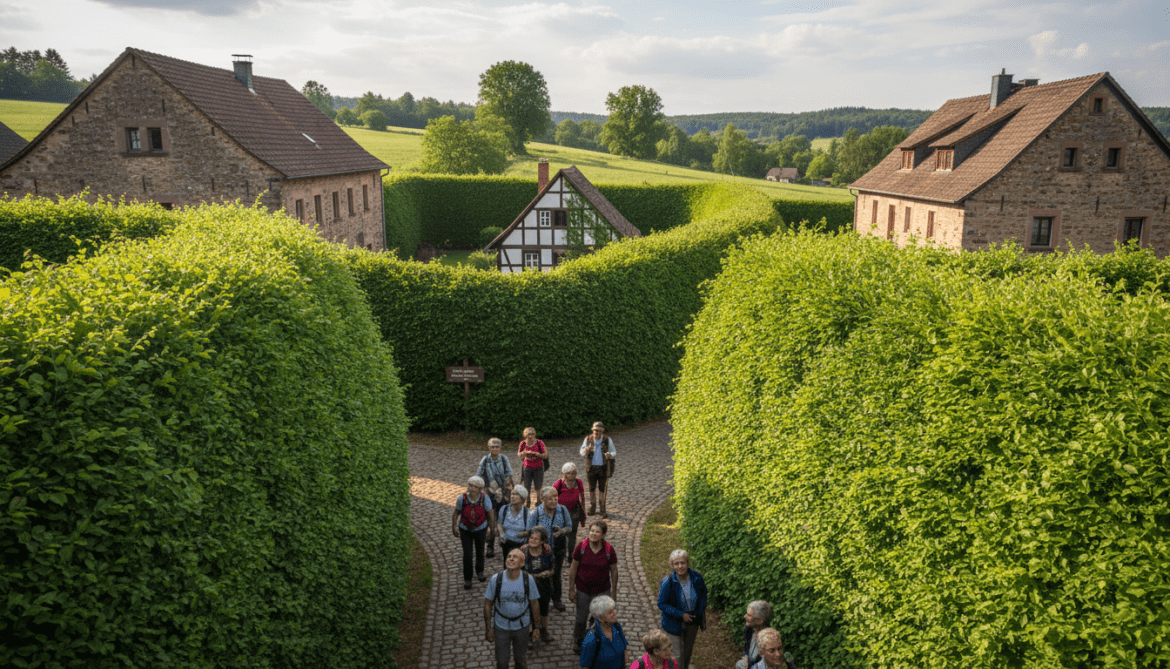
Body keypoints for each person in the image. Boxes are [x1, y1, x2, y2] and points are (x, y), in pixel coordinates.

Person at [484, 548, 541, 669]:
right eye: (509, 556)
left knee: (520, 660)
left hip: (522, 627)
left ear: (522, 563)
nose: (510, 558)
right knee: (501, 662)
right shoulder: (496, 579)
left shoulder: (528, 580)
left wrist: (536, 627)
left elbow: (534, 603)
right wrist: (489, 627)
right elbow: (487, 604)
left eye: (515, 557)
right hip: (501, 627)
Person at [568, 519, 618, 653]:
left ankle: (598, 641)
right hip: (583, 589)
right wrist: (571, 589)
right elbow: (573, 568)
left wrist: (613, 593)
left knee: (601, 618)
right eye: (592, 531)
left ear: (603, 535)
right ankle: (578, 640)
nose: (594, 534)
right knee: (581, 617)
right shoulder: (581, 547)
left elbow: (614, 571)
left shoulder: (608, 550)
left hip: (602, 590)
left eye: (597, 532)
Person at [657, 549, 707, 669]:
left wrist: (699, 612)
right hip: (673, 624)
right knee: (676, 657)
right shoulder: (668, 582)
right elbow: (662, 604)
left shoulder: (697, 577)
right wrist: (680, 614)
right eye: (676, 563)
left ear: (688, 563)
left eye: (683, 563)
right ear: (672, 565)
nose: (680, 566)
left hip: (692, 623)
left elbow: (703, 595)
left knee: (687, 655)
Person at [526, 486, 572, 612]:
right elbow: (530, 531)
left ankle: (557, 600)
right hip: (542, 551)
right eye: (551, 498)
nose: (554, 500)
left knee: (556, 575)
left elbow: (569, 527)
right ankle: (540, 600)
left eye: (556, 497)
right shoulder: (536, 512)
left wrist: (562, 531)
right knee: (541, 575)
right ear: (543, 499)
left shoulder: (562, 510)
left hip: (558, 549)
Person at [452, 475, 495, 590]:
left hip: (481, 528)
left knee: (480, 551)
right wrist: (454, 526)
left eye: (475, 487)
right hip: (465, 529)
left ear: (479, 488)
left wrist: (491, 529)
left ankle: (480, 572)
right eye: (470, 485)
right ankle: (467, 579)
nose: (472, 488)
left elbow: (490, 513)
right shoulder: (462, 498)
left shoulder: (485, 498)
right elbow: (456, 512)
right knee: (467, 554)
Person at [478, 437, 515, 558]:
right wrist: (483, 488)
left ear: (500, 448)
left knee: (504, 519)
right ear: (489, 447)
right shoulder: (485, 460)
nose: (495, 449)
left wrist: (507, 485)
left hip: (503, 493)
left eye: (497, 446)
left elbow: (509, 474)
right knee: (491, 521)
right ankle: (490, 546)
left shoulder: (504, 459)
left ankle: (504, 542)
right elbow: (478, 476)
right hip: (489, 493)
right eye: (492, 446)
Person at [522, 526, 555, 648]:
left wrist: (542, 574)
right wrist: (531, 576)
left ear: (542, 541)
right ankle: (532, 635)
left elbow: (552, 569)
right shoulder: (523, 550)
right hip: (527, 587)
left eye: (536, 539)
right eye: (531, 538)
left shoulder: (547, 550)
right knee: (530, 610)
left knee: (544, 609)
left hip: (544, 585)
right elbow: (517, 571)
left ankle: (544, 632)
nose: (532, 540)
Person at [554, 462, 588, 580]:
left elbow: (582, 497)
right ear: (564, 473)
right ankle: (560, 557)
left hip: (574, 512)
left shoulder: (578, 483)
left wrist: (583, 513)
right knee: (561, 535)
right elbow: (552, 496)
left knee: (572, 536)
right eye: (569, 473)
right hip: (561, 513)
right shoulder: (559, 484)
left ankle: (570, 558)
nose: (571, 475)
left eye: (573, 473)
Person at [578, 595, 627, 669]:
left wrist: (627, 664)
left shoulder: (616, 626)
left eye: (613, 610)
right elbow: (585, 666)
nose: (614, 613)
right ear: (601, 619)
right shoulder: (591, 639)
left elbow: (625, 648)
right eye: (610, 612)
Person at [579, 421, 616, 518]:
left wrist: (610, 455)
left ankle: (602, 508)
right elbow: (581, 452)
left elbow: (614, 452)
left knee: (602, 489)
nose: (597, 432)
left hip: (603, 468)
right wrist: (587, 450)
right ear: (592, 430)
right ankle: (593, 506)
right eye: (595, 430)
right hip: (591, 468)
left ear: (602, 430)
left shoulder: (607, 439)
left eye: (599, 431)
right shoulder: (588, 439)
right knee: (591, 489)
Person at [497, 485, 531, 565]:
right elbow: (499, 523)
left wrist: (523, 534)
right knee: (508, 565)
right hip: (506, 544)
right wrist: (501, 534)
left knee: (519, 565)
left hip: (520, 545)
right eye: (512, 494)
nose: (512, 496)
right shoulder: (504, 509)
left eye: (516, 494)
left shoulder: (527, 513)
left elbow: (530, 530)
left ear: (522, 498)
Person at [517, 427, 548, 507]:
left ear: (535, 435)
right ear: (525, 435)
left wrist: (537, 454)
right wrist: (524, 453)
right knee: (527, 486)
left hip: (538, 467)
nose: (530, 436)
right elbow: (519, 455)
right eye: (528, 434)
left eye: (532, 434)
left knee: (538, 487)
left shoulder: (539, 443)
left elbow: (545, 455)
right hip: (527, 468)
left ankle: (538, 501)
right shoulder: (523, 443)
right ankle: (527, 502)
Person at [738, 600, 773, 669]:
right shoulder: (748, 629)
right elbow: (746, 649)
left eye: (749, 615)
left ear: (760, 621)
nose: (745, 616)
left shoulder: (769, 642)